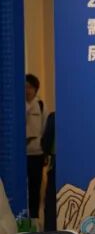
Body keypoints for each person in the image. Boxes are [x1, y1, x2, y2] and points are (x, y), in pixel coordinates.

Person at [25, 74, 45, 225]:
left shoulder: (41, 105)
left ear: (35, 89)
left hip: (36, 153)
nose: (27, 90)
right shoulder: (17, 105)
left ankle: (34, 219)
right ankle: (21, 218)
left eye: (30, 87)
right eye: (25, 87)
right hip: (21, 154)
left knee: (35, 187)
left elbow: (45, 128)